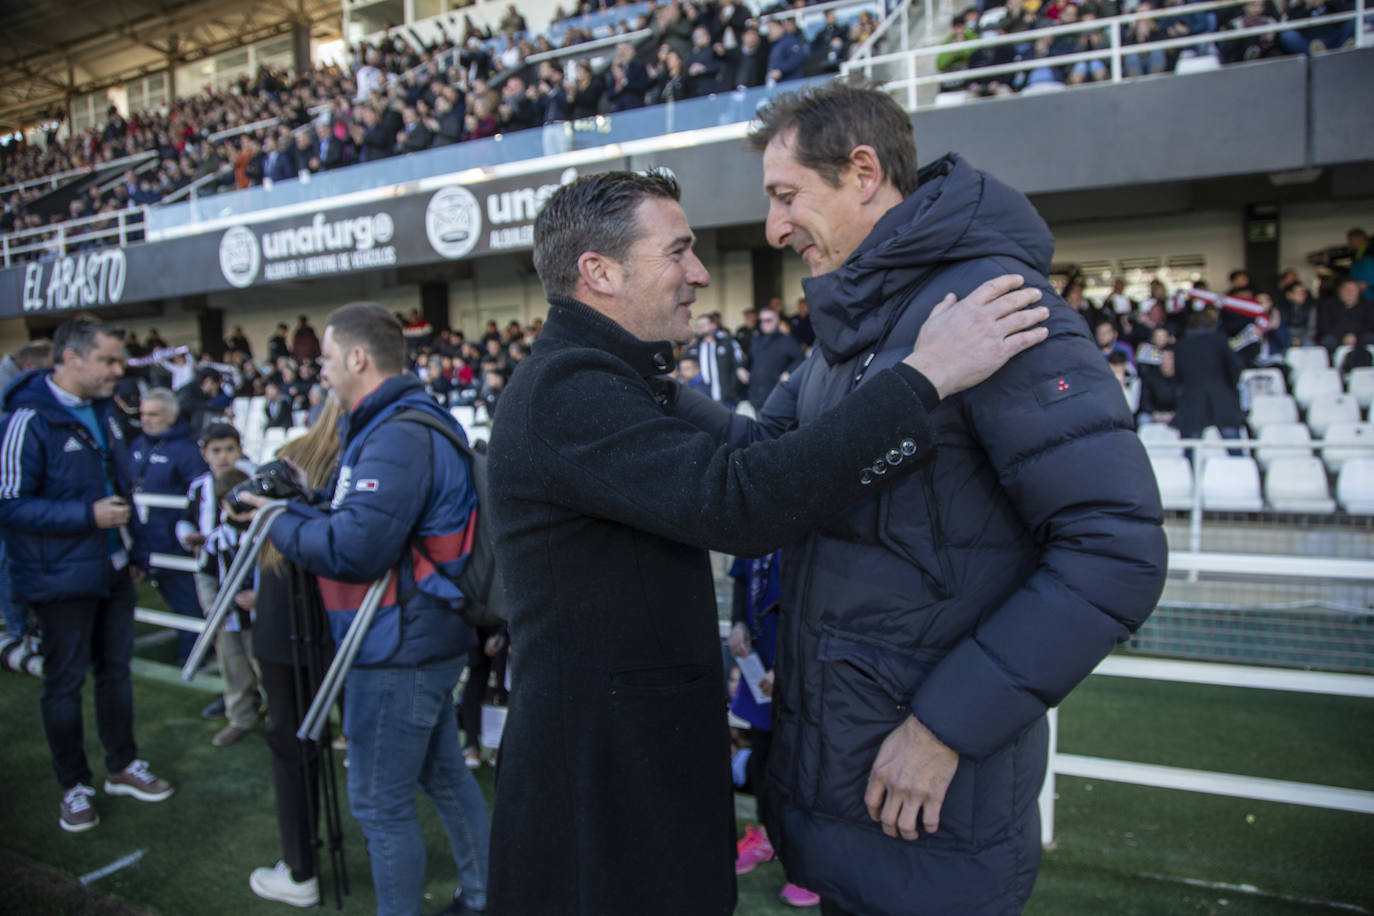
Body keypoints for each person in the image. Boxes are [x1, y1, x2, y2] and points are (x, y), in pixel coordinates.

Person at [484, 168, 1050, 915]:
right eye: (677, 252)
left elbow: (757, 456)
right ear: (599, 273)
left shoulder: (610, 378)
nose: (698, 273)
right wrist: (923, 377)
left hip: (632, 761)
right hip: (603, 777)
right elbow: (744, 503)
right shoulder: (570, 390)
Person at [692, 82, 1166, 914]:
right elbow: (760, 464)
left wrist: (946, 726)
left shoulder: (997, 310)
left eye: (786, 196)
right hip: (842, 798)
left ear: (864, 172)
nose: (774, 228)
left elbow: (1116, 551)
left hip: (933, 812)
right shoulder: (859, 325)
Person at [239, 304, 490, 916]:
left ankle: (483, 895)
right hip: (417, 635)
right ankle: (489, 894)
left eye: (323, 357)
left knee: (381, 804)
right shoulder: (395, 424)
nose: (317, 370)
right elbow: (366, 518)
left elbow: (354, 548)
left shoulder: (396, 432)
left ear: (357, 357)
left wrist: (277, 518)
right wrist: (306, 501)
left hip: (397, 643)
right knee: (443, 777)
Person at [0, 317, 174, 833]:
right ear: (71, 358)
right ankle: (74, 786)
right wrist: (87, 518)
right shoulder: (28, 419)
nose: (119, 372)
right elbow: (8, 504)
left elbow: (122, 485)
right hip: (60, 580)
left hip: (113, 570)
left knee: (115, 673)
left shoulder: (107, 410)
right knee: (64, 684)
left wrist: (136, 547)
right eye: (109, 361)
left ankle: (121, 765)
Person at [246, 396, 345, 908]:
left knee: (291, 744)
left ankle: (300, 868)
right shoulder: (358, 453)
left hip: (294, 621)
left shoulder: (304, 454)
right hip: (331, 619)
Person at [176, 422, 261, 747]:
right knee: (232, 664)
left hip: (257, 606)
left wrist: (263, 598)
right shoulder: (199, 489)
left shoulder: (254, 482)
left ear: (240, 450)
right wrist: (188, 537)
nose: (224, 456)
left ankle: (279, 712)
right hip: (224, 601)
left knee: (266, 663)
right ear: (204, 454)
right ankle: (239, 715)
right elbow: (186, 523)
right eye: (216, 450)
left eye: (229, 449)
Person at [131, 387, 211, 665]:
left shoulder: (186, 451)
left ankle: (192, 657)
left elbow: (200, 493)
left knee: (187, 602)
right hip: (145, 540)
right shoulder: (138, 445)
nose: (146, 419)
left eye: (153, 414)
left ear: (171, 415)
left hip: (173, 543)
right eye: (143, 414)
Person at [0, 339, 53, 639]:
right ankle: (18, 629)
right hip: (10, 493)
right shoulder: (10, 395)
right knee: (9, 559)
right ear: (30, 367)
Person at [744, 304, 805, 409]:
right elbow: (748, 361)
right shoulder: (755, 340)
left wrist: (789, 372)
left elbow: (801, 359)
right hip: (756, 396)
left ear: (776, 320)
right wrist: (741, 369)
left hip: (777, 396)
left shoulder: (786, 340)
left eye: (768, 320)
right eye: (762, 320)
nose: (764, 323)